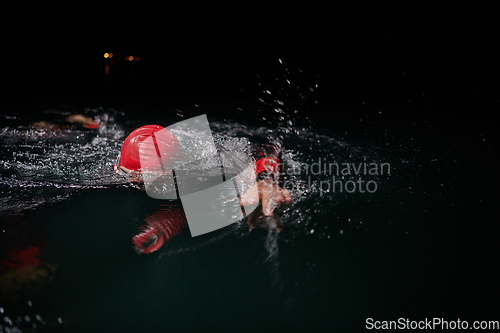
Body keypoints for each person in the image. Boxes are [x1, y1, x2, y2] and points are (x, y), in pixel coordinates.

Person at [114, 125, 292, 254]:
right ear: (118, 171)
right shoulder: (116, 177)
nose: (150, 186)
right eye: (139, 179)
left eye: (158, 179)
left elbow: (265, 150)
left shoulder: (207, 169)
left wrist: (264, 181)